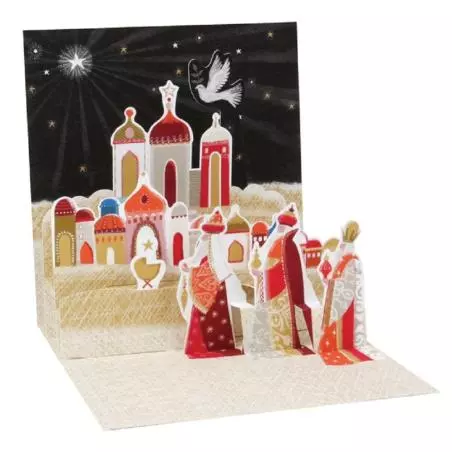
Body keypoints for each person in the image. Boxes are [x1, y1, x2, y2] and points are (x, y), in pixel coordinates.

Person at [245, 204, 320, 356]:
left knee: (280, 314)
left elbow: (292, 266)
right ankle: (266, 340)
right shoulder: (274, 241)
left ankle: (282, 341)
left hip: (282, 287)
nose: (280, 228)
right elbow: (264, 261)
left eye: (284, 226)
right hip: (268, 284)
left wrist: (264, 271)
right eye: (280, 225)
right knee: (267, 312)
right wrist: (259, 271)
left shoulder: (289, 243)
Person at [177, 209, 247, 358]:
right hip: (218, 281)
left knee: (206, 313)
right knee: (219, 314)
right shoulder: (216, 242)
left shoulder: (205, 240)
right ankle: (221, 344)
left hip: (208, 281)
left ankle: (203, 344)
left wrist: (187, 266)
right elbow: (208, 261)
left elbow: (197, 259)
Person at [318, 221, 376, 365]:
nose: (341, 248)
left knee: (342, 321)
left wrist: (333, 282)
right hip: (342, 294)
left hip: (346, 297)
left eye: (342, 247)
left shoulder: (350, 259)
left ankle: (343, 342)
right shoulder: (347, 258)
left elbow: (351, 280)